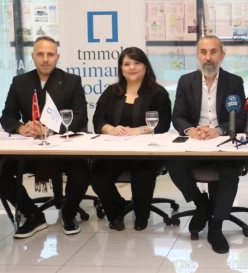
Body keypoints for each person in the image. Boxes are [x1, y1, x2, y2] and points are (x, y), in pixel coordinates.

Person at [0, 36, 89, 237]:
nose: (45, 59)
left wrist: (50, 129)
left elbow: (81, 118)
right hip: (30, 150)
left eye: (50, 54)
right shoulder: (19, 82)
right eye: (40, 54)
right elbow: (7, 116)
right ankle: (33, 215)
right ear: (33, 57)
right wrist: (20, 128)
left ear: (57, 57)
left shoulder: (71, 81)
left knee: (81, 169)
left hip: (62, 149)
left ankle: (68, 214)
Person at [167, 35, 246, 254]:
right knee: (172, 163)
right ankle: (201, 203)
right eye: (203, 52)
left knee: (230, 170)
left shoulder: (234, 82)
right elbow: (178, 116)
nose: (208, 57)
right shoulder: (186, 81)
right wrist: (191, 130)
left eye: (213, 52)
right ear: (197, 55)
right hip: (195, 142)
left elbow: (240, 117)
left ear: (222, 55)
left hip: (222, 143)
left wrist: (218, 130)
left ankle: (216, 227)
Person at [90, 47, 171, 232]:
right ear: (121, 68)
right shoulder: (112, 92)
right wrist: (111, 129)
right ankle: (116, 209)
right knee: (97, 174)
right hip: (115, 151)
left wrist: (137, 130)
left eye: (136, 63)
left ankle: (142, 216)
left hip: (146, 152)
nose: (131, 68)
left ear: (145, 66)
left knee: (142, 173)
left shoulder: (158, 93)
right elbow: (98, 120)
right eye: (126, 64)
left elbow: (163, 124)